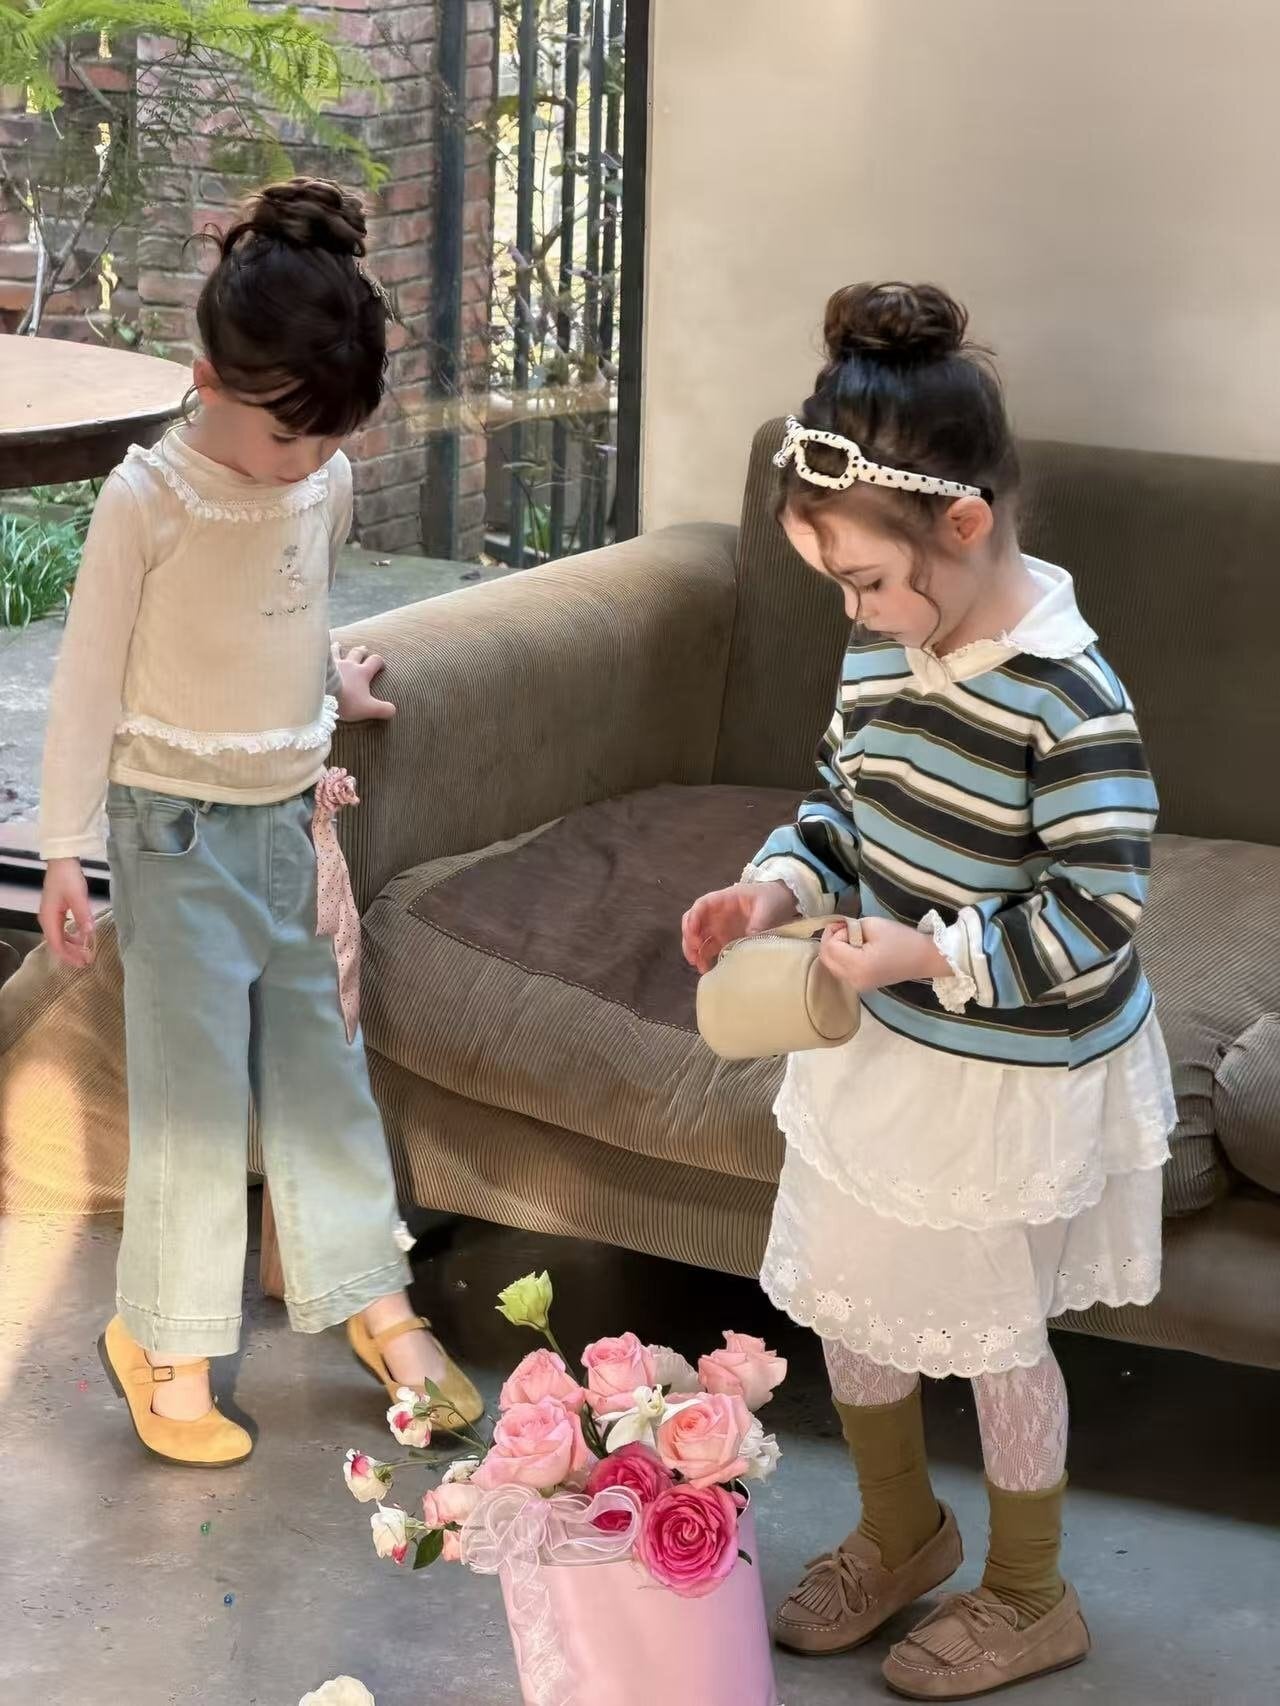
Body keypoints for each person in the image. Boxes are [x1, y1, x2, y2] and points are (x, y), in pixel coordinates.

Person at [682, 283, 1175, 1699]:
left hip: (1009, 1073)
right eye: (836, 585)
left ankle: (1030, 1591)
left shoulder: (1069, 700)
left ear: (961, 525)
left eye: (863, 581)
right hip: (883, 1049)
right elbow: (846, 808)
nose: (852, 613)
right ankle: (902, 1531)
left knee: (996, 1341)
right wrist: (774, 890)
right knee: (852, 1301)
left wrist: (929, 954)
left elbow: (1096, 915)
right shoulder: (884, 647)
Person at [38, 178, 482, 1468]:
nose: (307, 462)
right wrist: (63, 847)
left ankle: (375, 1304)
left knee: (322, 1070)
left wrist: (329, 690)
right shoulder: (148, 501)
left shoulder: (317, 482)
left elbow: (286, 612)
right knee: (191, 1103)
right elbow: (87, 683)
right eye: (289, 436)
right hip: (172, 838)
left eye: (332, 439)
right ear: (206, 380)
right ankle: (165, 1342)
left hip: (291, 827)